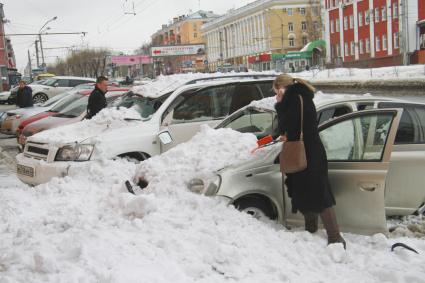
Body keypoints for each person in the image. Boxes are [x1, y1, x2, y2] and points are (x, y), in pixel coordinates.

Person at [273, 74, 346, 248]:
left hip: (308, 152)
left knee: (319, 193)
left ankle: (335, 237)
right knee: (304, 191)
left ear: (282, 88)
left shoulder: (295, 100)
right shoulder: (301, 97)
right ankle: (310, 229)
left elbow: (286, 126)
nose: (276, 95)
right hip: (309, 150)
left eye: (276, 91)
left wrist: (280, 104)